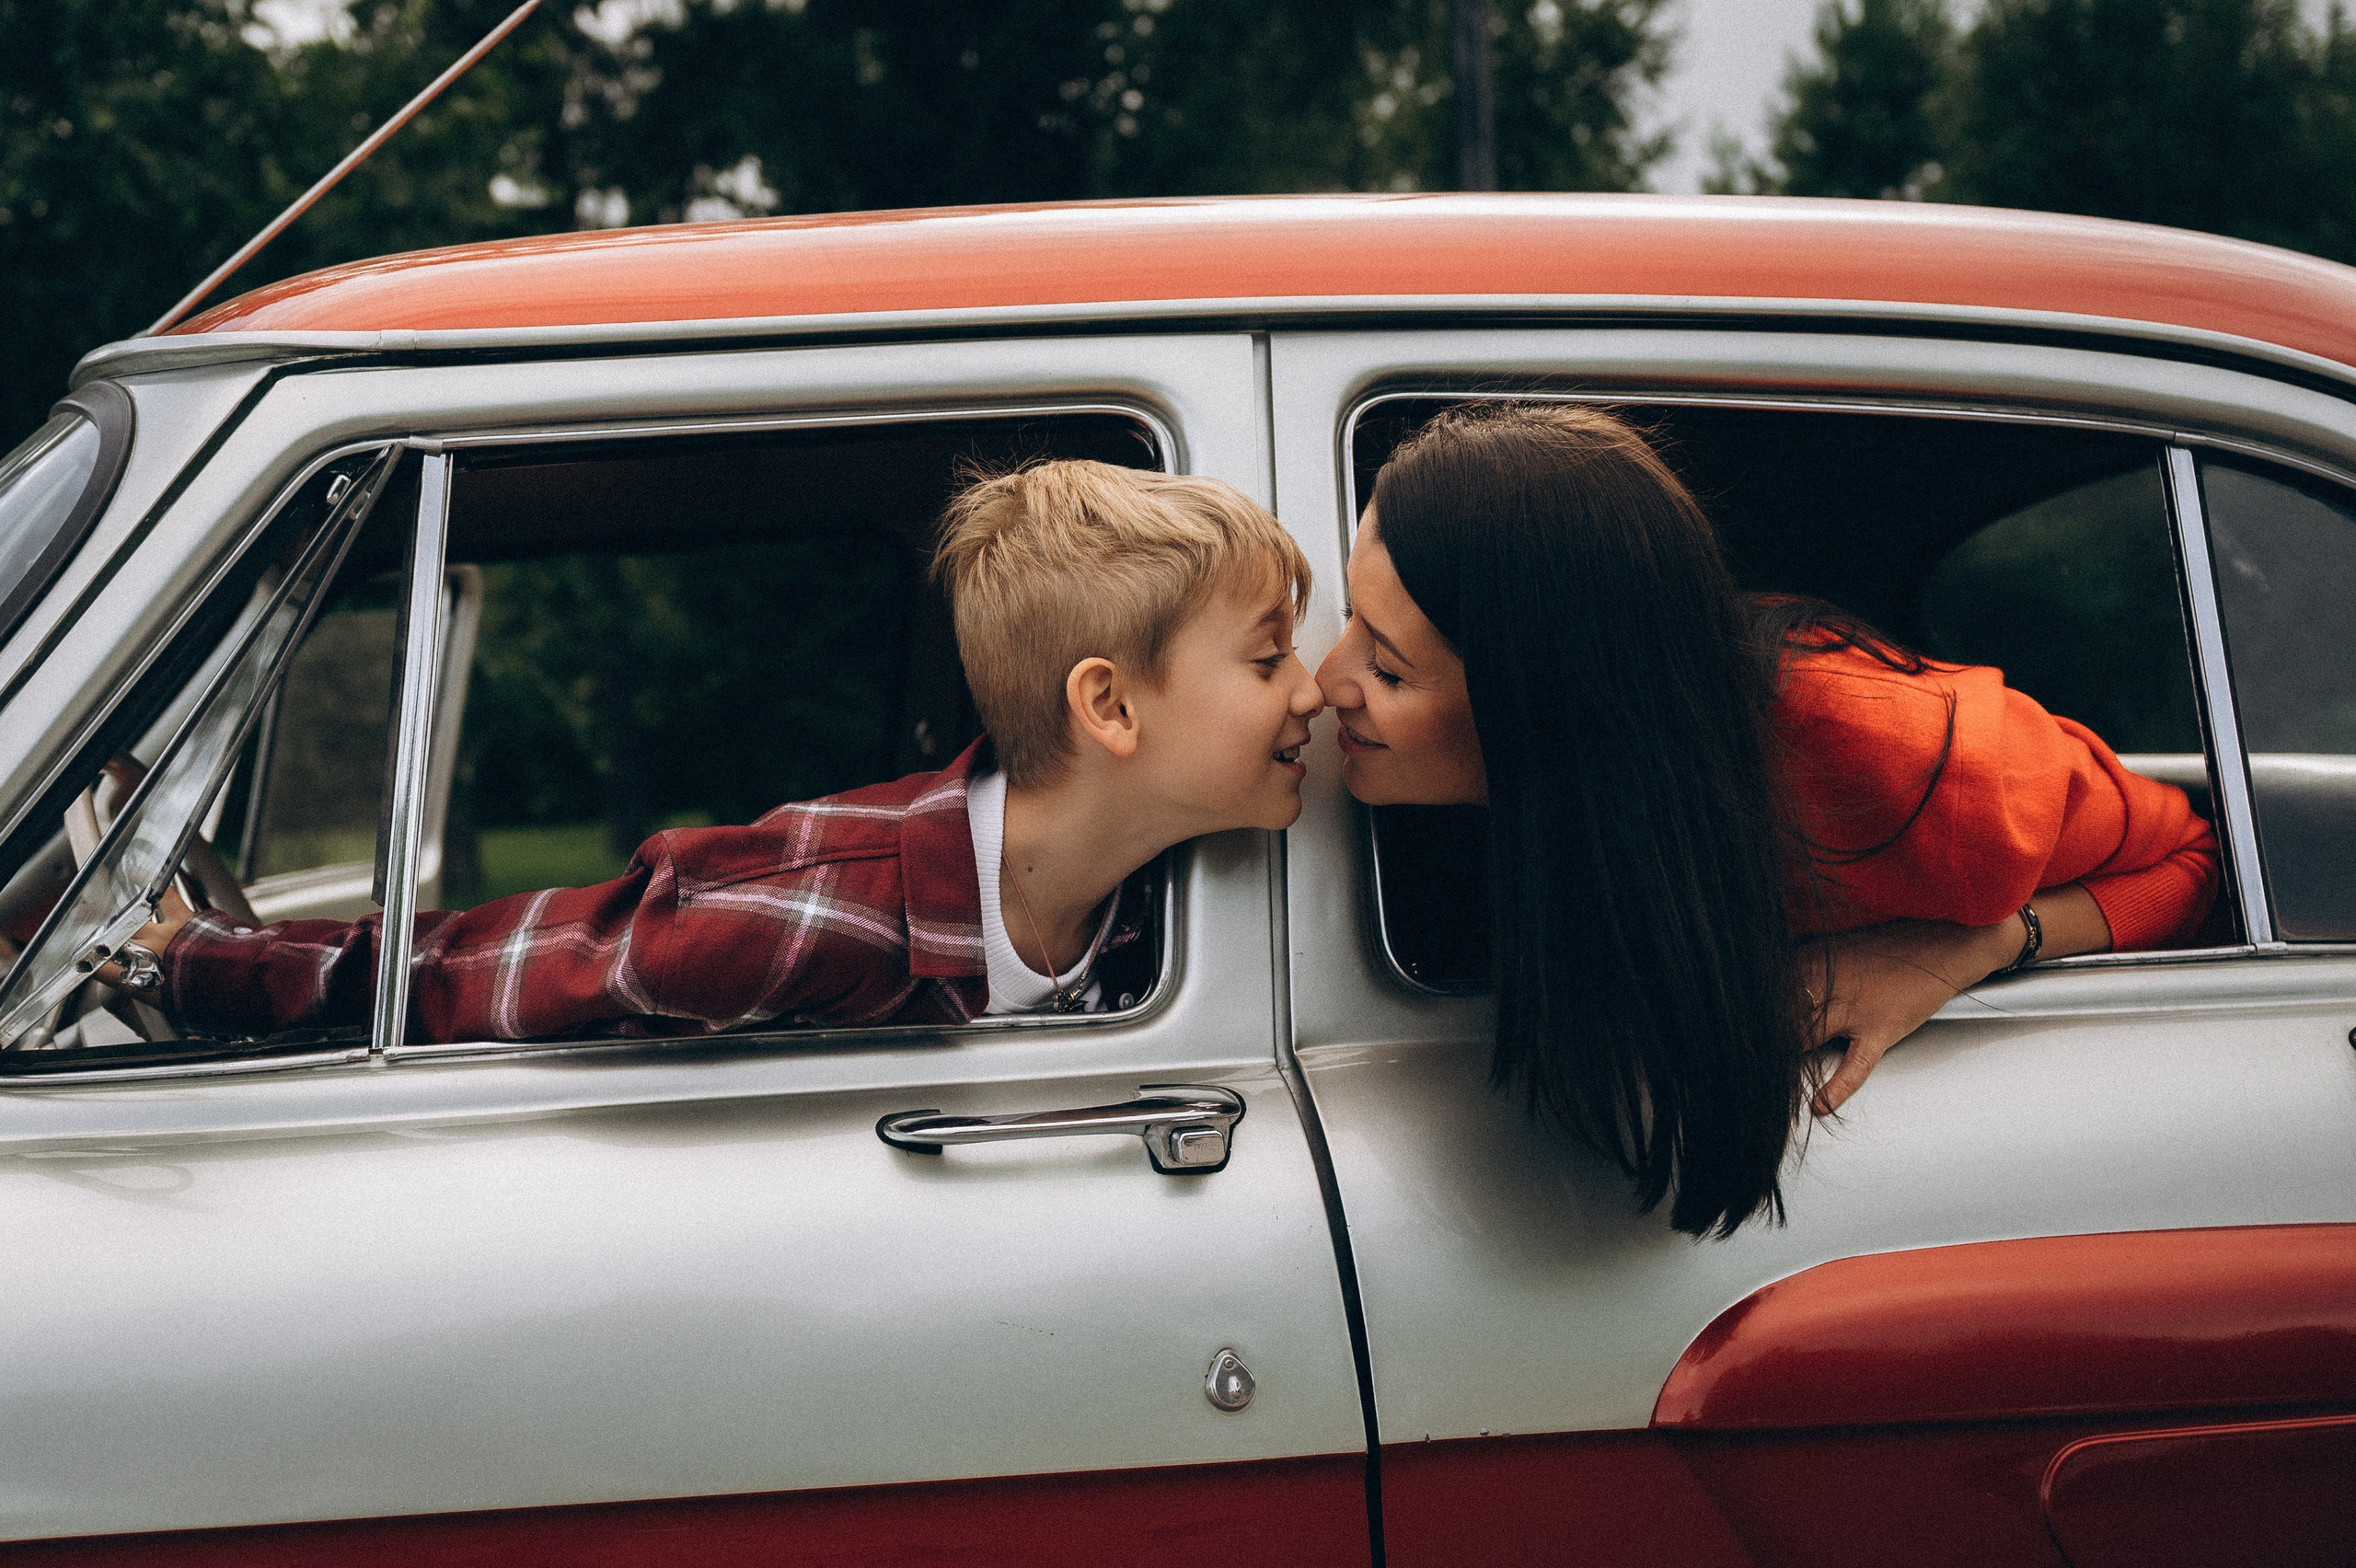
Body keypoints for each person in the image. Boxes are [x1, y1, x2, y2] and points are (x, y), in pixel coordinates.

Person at [1317, 402, 2218, 1239]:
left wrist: (1969, 949)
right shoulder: (1537, 799)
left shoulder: (1925, 777)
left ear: (1544, 708)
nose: (1327, 681)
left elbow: (2193, 857)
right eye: (1353, 619)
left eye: (1389, 672)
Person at [113, 460, 1322, 1041]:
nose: (1312, 689)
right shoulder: (815, 904)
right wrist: (195, 963)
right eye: (1267, 660)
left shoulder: (1164, 901)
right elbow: (483, 973)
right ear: (1110, 709)